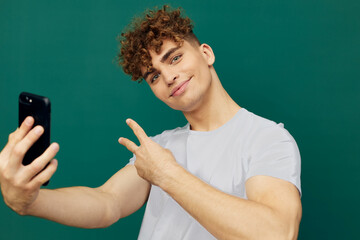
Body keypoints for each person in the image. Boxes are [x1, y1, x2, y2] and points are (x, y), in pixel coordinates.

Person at [0, 5, 302, 240]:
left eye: (174, 58)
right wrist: (29, 202)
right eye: (154, 76)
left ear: (206, 53)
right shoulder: (160, 148)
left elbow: (275, 232)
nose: (169, 77)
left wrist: (168, 175)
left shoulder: (266, 138)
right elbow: (107, 203)